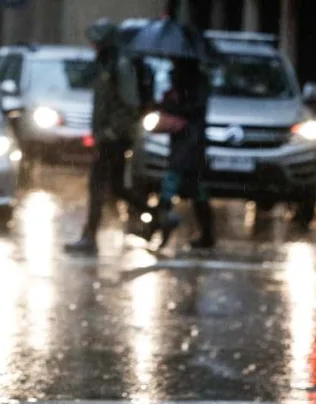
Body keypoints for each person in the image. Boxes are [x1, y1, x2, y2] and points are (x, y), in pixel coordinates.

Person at [65, 19, 152, 255]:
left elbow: (130, 104)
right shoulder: (105, 62)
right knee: (116, 187)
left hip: (115, 138)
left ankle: (89, 237)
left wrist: (112, 131)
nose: (93, 45)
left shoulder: (120, 64)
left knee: (98, 186)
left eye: (97, 40)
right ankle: (159, 217)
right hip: (106, 136)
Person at [155, 58, 213, 248]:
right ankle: (206, 234)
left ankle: (159, 227)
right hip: (184, 142)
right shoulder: (177, 80)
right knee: (194, 188)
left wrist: (174, 104)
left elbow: (192, 110)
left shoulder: (196, 83)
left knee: (173, 183)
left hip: (190, 142)